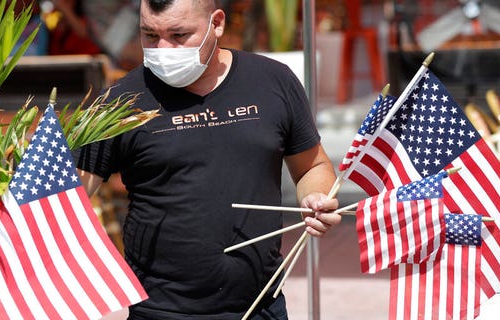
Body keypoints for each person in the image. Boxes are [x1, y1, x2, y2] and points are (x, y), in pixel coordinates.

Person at [73, 0, 342, 319]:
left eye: (179, 34)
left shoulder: (273, 81)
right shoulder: (120, 100)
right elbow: (64, 197)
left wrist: (317, 198)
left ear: (217, 24)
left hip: (260, 307)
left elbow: (313, 166)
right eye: (149, 34)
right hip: (161, 312)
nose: (163, 48)